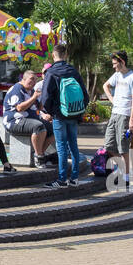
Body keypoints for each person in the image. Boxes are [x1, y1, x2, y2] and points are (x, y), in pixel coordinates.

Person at [38, 44, 88, 187]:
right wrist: (78, 110)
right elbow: (85, 95)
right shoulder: (73, 71)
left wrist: (52, 112)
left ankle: (62, 179)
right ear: (65, 55)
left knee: (61, 147)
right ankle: (75, 178)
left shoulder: (51, 72)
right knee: (73, 146)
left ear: (53, 55)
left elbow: (46, 98)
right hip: (73, 113)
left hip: (59, 116)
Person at [102, 51, 133, 186]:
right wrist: (112, 100)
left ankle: (127, 176)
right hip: (114, 113)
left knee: (123, 147)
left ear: (122, 62)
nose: (113, 67)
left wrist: (131, 120)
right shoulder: (117, 75)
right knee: (109, 145)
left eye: (115, 64)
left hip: (125, 114)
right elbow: (105, 86)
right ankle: (123, 168)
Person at [3, 68, 53, 167]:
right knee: (39, 126)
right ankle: (38, 157)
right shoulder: (17, 88)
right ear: (24, 79)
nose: (34, 82)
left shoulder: (31, 91)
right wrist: (34, 97)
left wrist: (44, 96)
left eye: (35, 80)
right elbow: (20, 107)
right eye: (31, 79)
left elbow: (39, 107)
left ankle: (40, 154)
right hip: (14, 121)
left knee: (54, 129)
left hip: (29, 119)